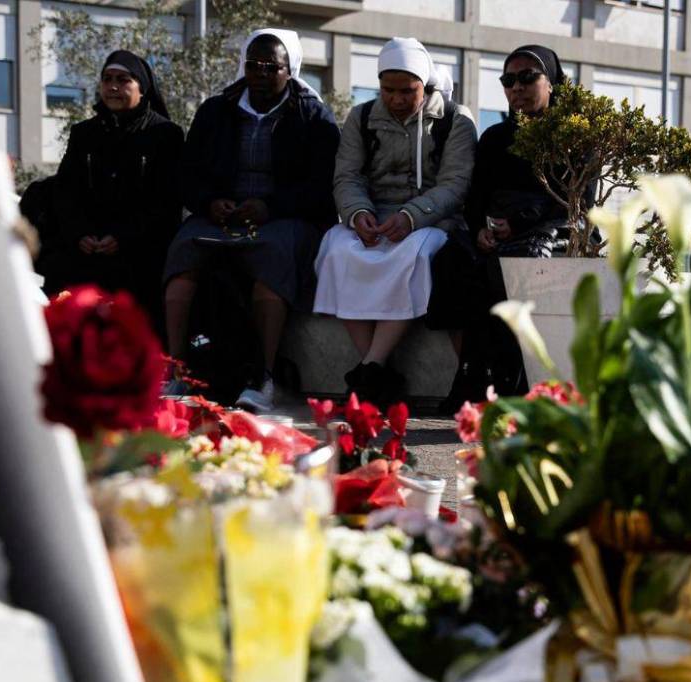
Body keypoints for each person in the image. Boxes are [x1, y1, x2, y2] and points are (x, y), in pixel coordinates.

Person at [162, 28, 340, 412]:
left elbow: (322, 186)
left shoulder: (313, 115)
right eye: (252, 65)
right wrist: (210, 202)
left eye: (269, 67)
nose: (259, 74)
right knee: (182, 252)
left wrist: (270, 206)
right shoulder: (215, 110)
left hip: (283, 217)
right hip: (220, 216)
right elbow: (188, 174)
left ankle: (263, 377)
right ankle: (176, 369)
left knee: (274, 256)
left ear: (289, 71)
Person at [312, 37, 477, 406]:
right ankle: (376, 372)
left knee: (414, 257)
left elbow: (455, 185)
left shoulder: (455, 120)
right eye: (388, 90)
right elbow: (347, 176)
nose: (397, 99)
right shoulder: (361, 116)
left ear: (425, 84)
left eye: (408, 90)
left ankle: (369, 368)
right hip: (374, 217)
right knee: (337, 249)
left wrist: (412, 216)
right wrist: (357, 214)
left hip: (433, 221)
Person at [428, 44, 576, 409]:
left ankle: (510, 377)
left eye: (528, 77)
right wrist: (480, 227)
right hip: (497, 231)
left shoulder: (574, 135)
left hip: (553, 228)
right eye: (509, 80)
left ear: (552, 83)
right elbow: (476, 196)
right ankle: (471, 371)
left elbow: (577, 200)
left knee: (514, 263)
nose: (517, 88)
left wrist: (521, 223)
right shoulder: (495, 138)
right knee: (452, 258)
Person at [46, 52, 184, 330]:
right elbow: (65, 191)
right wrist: (78, 233)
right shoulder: (84, 133)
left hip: (140, 249)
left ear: (142, 89)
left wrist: (123, 236)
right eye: (107, 79)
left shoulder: (166, 135)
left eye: (123, 80)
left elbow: (167, 202)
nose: (113, 87)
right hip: (87, 245)